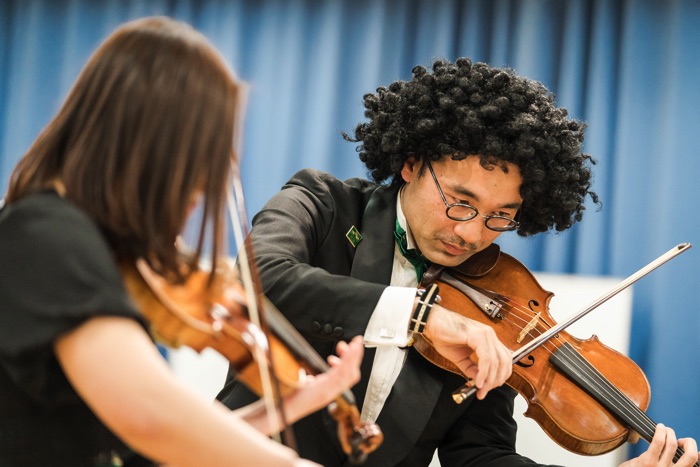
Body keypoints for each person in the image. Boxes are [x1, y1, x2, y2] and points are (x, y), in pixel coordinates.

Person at [216, 57, 699, 467]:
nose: (471, 232)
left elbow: (480, 453)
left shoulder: (503, 293)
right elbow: (263, 279)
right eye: (460, 201)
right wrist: (420, 315)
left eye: (499, 216)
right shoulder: (322, 203)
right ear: (410, 163)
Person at [0, 16, 366, 467]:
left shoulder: (79, 243)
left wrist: (295, 404)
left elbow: (156, 447)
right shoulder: (47, 235)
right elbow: (149, 415)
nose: (198, 192)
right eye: (196, 165)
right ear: (151, 147)